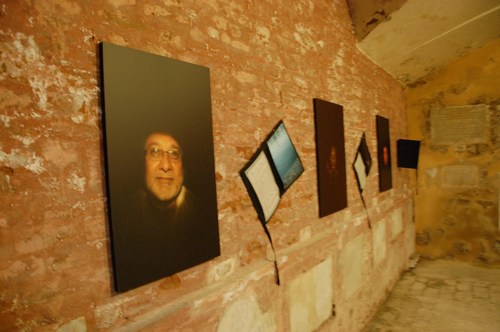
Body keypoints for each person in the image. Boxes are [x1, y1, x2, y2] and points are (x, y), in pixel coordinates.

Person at [112, 131, 219, 292]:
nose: (166, 166)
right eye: (155, 152)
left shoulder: (204, 218)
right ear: (141, 163)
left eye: (174, 154)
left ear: (183, 165)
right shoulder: (122, 219)